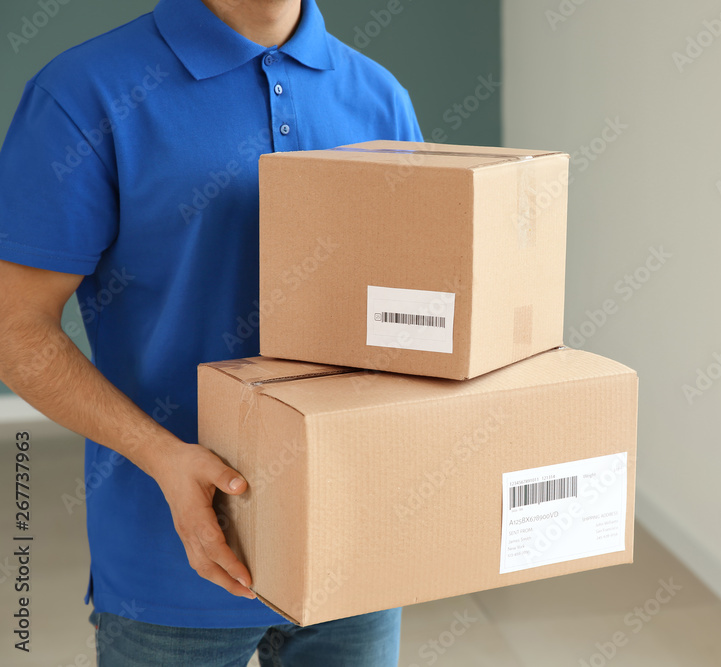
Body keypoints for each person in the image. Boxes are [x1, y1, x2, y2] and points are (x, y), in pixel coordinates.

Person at [0, 0, 423, 664]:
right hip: (167, 565)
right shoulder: (83, 94)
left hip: (352, 552)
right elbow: (14, 327)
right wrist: (164, 456)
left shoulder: (380, 98)